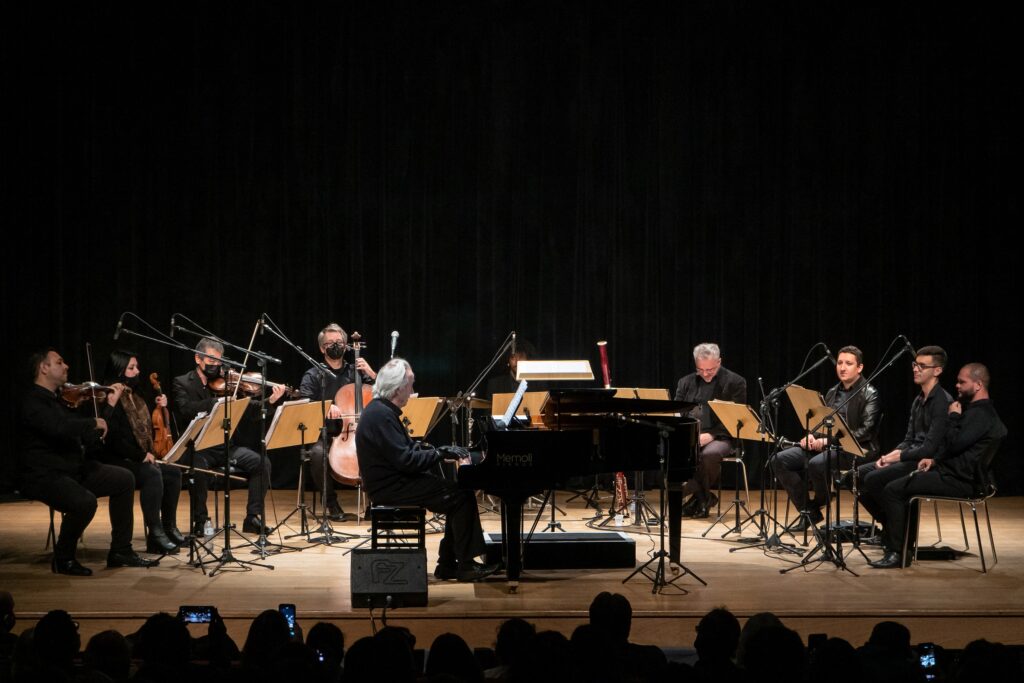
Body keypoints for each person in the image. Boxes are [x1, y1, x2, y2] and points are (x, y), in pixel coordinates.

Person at [355, 358, 498, 582]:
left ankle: (449, 564)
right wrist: (440, 453)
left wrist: (437, 451)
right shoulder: (381, 415)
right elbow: (407, 460)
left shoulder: (381, 410)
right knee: (461, 495)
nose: (412, 390)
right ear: (398, 388)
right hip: (391, 487)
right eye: (410, 385)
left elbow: (405, 451)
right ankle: (464, 566)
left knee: (457, 493)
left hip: (394, 482)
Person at [18, 349, 156, 575]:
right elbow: (59, 428)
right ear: (44, 368)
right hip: (44, 475)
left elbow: (82, 435)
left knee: (124, 478)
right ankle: (63, 558)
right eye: (59, 362)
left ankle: (121, 550)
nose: (66, 366)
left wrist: (96, 428)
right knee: (85, 502)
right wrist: (92, 422)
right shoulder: (33, 402)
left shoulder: (61, 400)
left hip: (72, 469)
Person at [869, 362, 1006, 568]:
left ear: (978, 385)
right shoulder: (979, 411)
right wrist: (934, 460)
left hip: (961, 481)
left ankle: (898, 552)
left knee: (893, 490)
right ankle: (900, 544)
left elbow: (951, 443)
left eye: (962, 382)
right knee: (897, 486)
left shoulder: (979, 415)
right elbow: (959, 449)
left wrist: (952, 417)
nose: (957, 386)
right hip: (956, 474)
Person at [172, 337, 285, 535]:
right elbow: (185, 410)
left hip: (225, 447)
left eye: (219, 361)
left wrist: (271, 400)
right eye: (211, 361)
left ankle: (252, 518)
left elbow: (250, 410)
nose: (216, 366)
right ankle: (200, 520)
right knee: (198, 469)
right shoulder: (182, 382)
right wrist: (215, 403)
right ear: (198, 359)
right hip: (198, 447)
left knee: (262, 463)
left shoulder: (228, 381)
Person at [773, 345, 881, 530]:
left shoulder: (870, 393)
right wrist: (812, 435)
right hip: (827, 446)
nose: (842, 367)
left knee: (817, 463)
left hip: (856, 449)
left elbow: (866, 431)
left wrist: (828, 441)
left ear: (860, 368)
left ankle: (820, 502)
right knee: (779, 459)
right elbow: (822, 422)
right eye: (840, 363)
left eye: (848, 363)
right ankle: (809, 512)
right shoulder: (832, 392)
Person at [857, 345, 952, 533]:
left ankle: (896, 532)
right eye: (915, 364)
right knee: (856, 476)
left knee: (874, 479)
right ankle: (889, 524)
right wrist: (887, 457)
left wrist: (894, 458)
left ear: (937, 371)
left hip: (925, 463)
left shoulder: (942, 402)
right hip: (910, 456)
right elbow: (908, 439)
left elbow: (928, 449)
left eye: (922, 366)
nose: (916, 369)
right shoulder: (918, 400)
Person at [98, 350, 184, 554]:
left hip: (135, 457)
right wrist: (141, 455)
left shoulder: (136, 395)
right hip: (115, 459)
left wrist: (162, 406)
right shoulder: (106, 396)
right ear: (118, 372)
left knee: (173, 473)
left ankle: (168, 527)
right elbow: (111, 440)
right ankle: (154, 535)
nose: (137, 371)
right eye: (131, 368)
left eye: (136, 367)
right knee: (151, 473)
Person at [297, 323, 376, 522]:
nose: (336, 346)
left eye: (340, 342)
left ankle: (375, 503)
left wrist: (372, 373)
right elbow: (303, 404)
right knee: (317, 454)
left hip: (357, 433)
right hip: (326, 434)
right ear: (322, 348)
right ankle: (331, 503)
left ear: (347, 346)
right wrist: (323, 407)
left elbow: (383, 393)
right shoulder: (313, 374)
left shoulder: (356, 371)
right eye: (330, 343)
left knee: (380, 449)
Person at [671, 343, 748, 518]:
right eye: (701, 369)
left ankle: (688, 494)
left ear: (719, 362)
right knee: (667, 453)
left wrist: (711, 435)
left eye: (710, 370)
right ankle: (704, 498)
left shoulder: (735, 382)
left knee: (708, 455)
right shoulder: (685, 382)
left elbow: (736, 419)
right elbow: (678, 412)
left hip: (723, 436)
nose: (705, 374)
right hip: (691, 435)